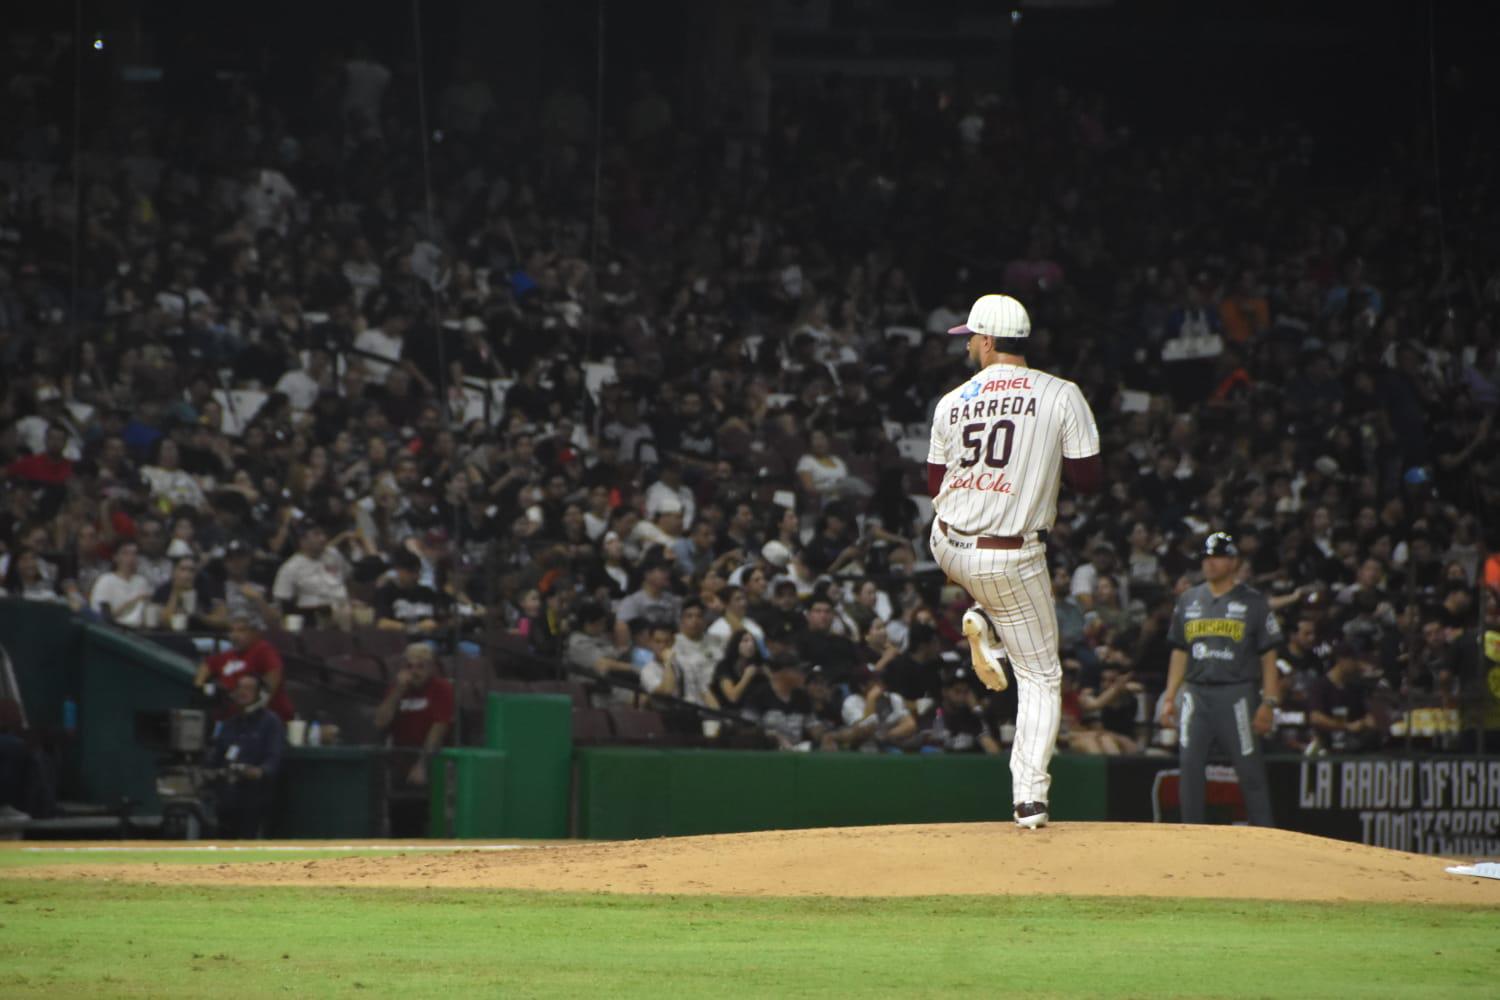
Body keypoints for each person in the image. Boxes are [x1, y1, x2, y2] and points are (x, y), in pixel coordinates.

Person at [926, 294, 1101, 829]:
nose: (968, 347)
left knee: (994, 591)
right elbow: (1089, 480)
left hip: (945, 544)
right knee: (1042, 676)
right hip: (1007, 558)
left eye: (970, 339)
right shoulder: (1061, 394)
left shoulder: (952, 402)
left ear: (985, 340)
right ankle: (1029, 796)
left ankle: (984, 616)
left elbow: (934, 483)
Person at [1159, 532, 1281, 827]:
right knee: (1189, 765)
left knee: (1249, 767)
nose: (1209, 563)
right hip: (1196, 693)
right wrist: (1169, 696)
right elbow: (1179, 651)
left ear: (1233, 561)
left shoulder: (1253, 602)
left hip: (1237, 693)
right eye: (1206, 557)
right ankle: (1192, 832)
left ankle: (1264, 833)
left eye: (1216, 557)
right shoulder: (1189, 600)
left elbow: (1269, 656)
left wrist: (1269, 702)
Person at [374, 644, 454, 837]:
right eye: (410, 667)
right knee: (400, 818)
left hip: (431, 758)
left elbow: (438, 729)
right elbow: (380, 722)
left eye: (420, 666)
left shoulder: (442, 689)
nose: (414, 672)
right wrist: (398, 692)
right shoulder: (398, 689)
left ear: (431, 667)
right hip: (400, 757)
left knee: (428, 816)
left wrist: (422, 764)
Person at [207, 673, 285, 839]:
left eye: (249, 688)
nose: (243, 692)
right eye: (240, 688)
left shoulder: (270, 722)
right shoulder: (229, 723)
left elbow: (273, 757)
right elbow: (216, 756)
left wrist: (259, 771)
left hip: (255, 794)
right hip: (227, 794)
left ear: (259, 694)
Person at [194, 615, 296, 722]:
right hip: (231, 718)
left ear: (255, 633)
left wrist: (252, 710)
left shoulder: (263, 650)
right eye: (232, 631)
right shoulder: (229, 655)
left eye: (241, 630)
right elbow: (207, 665)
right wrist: (199, 686)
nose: (235, 635)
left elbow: (273, 677)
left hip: (263, 719)